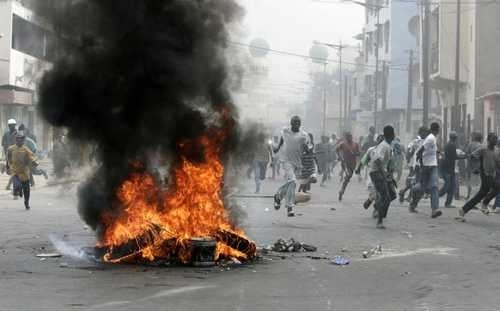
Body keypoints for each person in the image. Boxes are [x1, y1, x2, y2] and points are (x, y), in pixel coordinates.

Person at [457, 133, 500, 221]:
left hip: (491, 174)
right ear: (489, 140)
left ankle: (463, 210)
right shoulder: (483, 149)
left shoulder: (495, 151)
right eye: (493, 139)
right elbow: (472, 156)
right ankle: (484, 204)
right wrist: (476, 167)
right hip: (484, 174)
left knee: (481, 194)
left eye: (496, 139)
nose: (495, 140)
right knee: (497, 187)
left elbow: (497, 163)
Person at [273, 116, 310, 217]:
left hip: (298, 163)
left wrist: (307, 149)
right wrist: (277, 148)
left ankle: (278, 197)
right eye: (295, 123)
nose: (296, 124)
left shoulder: (304, 135)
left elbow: (307, 147)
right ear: (291, 123)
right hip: (287, 161)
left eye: (298, 123)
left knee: (291, 184)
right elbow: (281, 140)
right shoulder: (285, 131)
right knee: (293, 182)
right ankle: (290, 207)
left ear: (300, 124)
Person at [410, 122, 442, 218]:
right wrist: (422, 165)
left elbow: (432, 149)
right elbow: (420, 151)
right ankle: (413, 189)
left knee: (434, 187)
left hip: (433, 166)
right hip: (426, 167)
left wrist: (440, 152)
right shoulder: (431, 137)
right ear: (437, 130)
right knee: (422, 188)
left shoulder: (432, 138)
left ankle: (434, 210)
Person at [369, 125, 395, 229]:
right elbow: (378, 160)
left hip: (380, 172)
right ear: (392, 135)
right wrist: (384, 176)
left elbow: (385, 163)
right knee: (386, 197)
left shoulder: (387, 145)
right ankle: (379, 220)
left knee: (392, 195)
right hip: (376, 173)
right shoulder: (384, 146)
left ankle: (378, 209)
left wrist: (389, 177)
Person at [6, 131, 39, 210]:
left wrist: (34, 162)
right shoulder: (11, 148)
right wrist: (7, 166)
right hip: (15, 172)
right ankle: (18, 190)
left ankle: (26, 202)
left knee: (27, 191)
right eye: (18, 139)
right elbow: (8, 157)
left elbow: (32, 156)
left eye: (21, 139)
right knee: (16, 184)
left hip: (24, 172)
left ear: (23, 140)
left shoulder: (26, 149)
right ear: (16, 140)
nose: (20, 141)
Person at [355, 134, 384, 211]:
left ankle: (375, 208)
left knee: (381, 194)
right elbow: (363, 160)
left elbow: (390, 164)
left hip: (383, 175)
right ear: (377, 141)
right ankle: (371, 200)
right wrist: (358, 169)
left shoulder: (388, 150)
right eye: (379, 140)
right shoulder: (371, 150)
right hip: (371, 176)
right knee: (375, 193)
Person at [399, 127, 427, 204]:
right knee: (417, 182)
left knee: (414, 182)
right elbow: (410, 151)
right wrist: (409, 159)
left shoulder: (423, 141)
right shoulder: (416, 142)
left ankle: (405, 193)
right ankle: (411, 199)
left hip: (420, 165)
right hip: (418, 165)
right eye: (424, 132)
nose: (425, 134)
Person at [439, 131, 467, 208]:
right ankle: (437, 195)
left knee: (451, 186)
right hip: (448, 169)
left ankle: (447, 203)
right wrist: (465, 156)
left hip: (449, 168)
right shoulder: (451, 145)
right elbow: (454, 157)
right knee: (448, 185)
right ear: (455, 138)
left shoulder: (448, 144)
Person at [336, 132, 360, 201]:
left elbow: (359, 153)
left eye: (350, 137)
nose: (349, 138)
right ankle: (342, 191)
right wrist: (339, 157)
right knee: (348, 175)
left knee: (348, 178)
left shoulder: (355, 144)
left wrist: (355, 153)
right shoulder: (343, 144)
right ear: (346, 138)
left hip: (352, 164)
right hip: (345, 163)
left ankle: (342, 190)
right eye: (348, 137)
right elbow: (336, 150)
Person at [465, 132, 483, 200]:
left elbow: (466, 153)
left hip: (469, 166)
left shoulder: (470, 144)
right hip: (476, 168)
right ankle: (472, 199)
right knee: (476, 184)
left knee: (470, 182)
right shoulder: (480, 146)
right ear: (480, 138)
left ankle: (468, 195)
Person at [2, 119, 18, 190]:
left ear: (15, 125)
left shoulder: (18, 135)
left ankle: (10, 186)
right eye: (10, 125)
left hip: (16, 156)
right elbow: (3, 144)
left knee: (14, 171)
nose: (11, 127)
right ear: (8, 126)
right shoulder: (6, 134)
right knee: (10, 171)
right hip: (8, 155)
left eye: (12, 125)